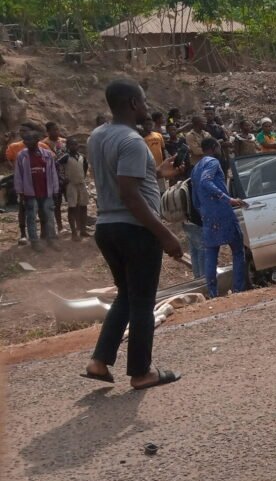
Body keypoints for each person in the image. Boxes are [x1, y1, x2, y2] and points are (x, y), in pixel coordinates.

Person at [83, 78, 183, 390]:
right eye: (142, 100)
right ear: (132, 104)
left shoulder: (97, 136)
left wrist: (156, 173)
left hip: (107, 228)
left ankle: (99, 362)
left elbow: (120, 182)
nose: (147, 106)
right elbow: (129, 194)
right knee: (143, 301)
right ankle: (142, 372)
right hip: (135, 230)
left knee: (127, 296)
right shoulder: (132, 141)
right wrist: (165, 234)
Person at [190, 138, 249, 298]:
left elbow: (195, 196)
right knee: (237, 249)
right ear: (214, 147)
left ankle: (213, 293)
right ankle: (238, 289)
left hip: (207, 215)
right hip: (222, 211)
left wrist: (202, 210)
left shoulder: (195, 168)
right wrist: (227, 199)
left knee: (211, 252)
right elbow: (205, 182)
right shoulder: (213, 163)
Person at [13, 127, 60, 250]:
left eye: (29, 140)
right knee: (31, 216)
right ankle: (34, 241)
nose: (26, 143)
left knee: (49, 216)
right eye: (25, 140)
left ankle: (51, 239)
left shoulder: (47, 154)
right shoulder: (21, 156)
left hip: (46, 190)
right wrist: (20, 192)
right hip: (30, 192)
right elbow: (18, 175)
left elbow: (53, 173)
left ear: (37, 140)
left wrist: (55, 189)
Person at [60, 136, 90, 240]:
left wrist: (83, 176)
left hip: (81, 183)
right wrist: (63, 178)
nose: (74, 146)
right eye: (71, 144)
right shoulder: (66, 157)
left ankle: (83, 229)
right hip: (71, 185)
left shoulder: (82, 156)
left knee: (84, 206)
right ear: (67, 146)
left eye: (75, 144)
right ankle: (74, 232)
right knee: (72, 208)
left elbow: (85, 167)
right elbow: (56, 165)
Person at [40, 121, 67, 231]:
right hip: (54, 177)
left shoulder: (64, 141)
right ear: (48, 132)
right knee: (57, 203)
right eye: (53, 130)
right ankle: (60, 226)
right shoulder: (43, 144)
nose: (56, 132)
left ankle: (76, 225)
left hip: (67, 176)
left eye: (57, 129)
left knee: (73, 202)